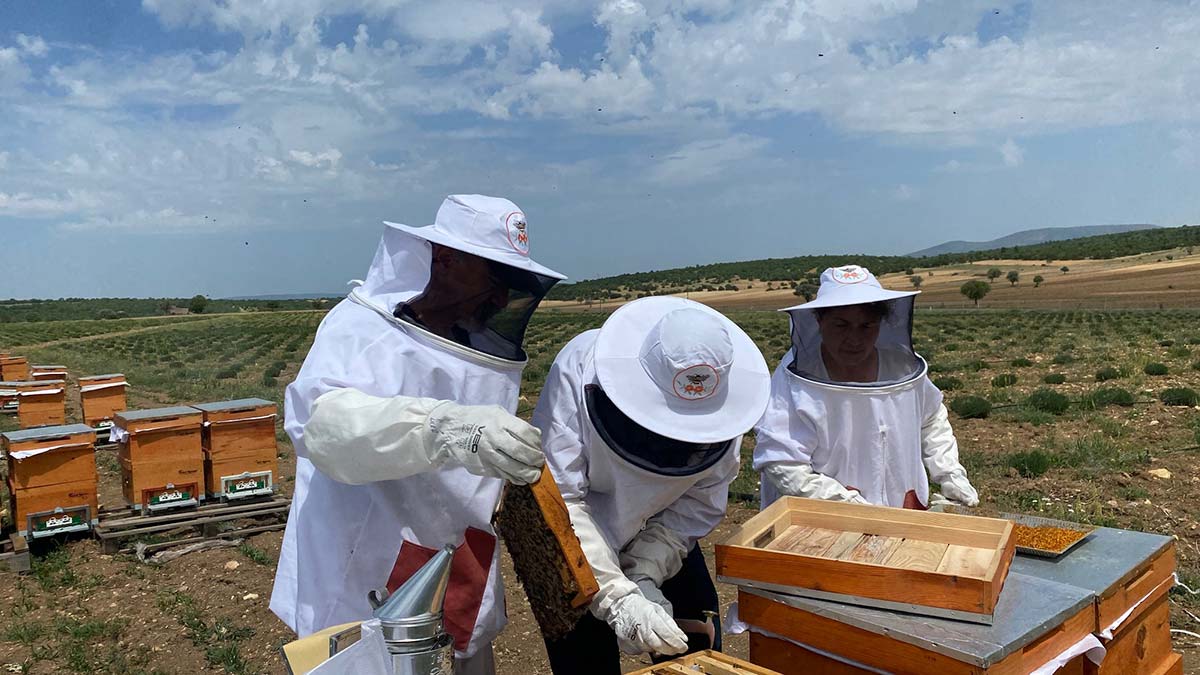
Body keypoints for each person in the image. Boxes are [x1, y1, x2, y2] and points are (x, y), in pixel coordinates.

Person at [270, 194, 566, 675]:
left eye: (513, 283)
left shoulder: (481, 345)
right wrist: (445, 430)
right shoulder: (362, 329)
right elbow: (323, 430)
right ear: (444, 258)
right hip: (366, 553)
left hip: (460, 547)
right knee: (369, 656)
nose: (499, 297)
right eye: (495, 277)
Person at [533, 296, 771, 674]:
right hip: (574, 534)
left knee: (694, 646)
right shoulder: (579, 368)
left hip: (660, 533)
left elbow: (695, 507)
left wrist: (644, 572)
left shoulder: (726, 407)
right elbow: (561, 501)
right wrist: (618, 599)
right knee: (584, 658)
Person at [753, 265, 979, 511]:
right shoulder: (794, 380)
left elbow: (931, 417)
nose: (854, 339)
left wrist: (949, 472)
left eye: (867, 326)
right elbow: (781, 462)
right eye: (841, 325)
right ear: (819, 320)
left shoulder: (900, 366)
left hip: (902, 506)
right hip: (822, 519)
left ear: (881, 323)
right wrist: (843, 501)